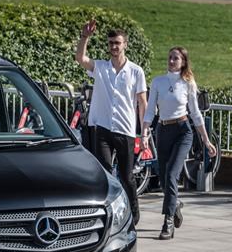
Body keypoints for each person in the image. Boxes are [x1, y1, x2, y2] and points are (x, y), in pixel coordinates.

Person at [74, 19, 147, 226]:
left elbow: (142, 103)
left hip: (125, 129)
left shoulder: (136, 71)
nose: (114, 47)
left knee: (127, 176)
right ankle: (107, 215)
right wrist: (84, 36)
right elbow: (80, 58)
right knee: (104, 173)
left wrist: (144, 132)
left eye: (118, 43)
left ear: (125, 45)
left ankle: (133, 213)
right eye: (111, 43)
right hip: (102, 128)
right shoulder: (101, 67)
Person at [140, 47, 217, 240]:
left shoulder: (188, 83)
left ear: (183, 62)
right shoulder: (158, 82)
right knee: (165, 177)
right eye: (170, 58)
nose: (172, 61)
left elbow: (196, 113)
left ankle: (167, 223)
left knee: (173, 174)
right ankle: (175, 205)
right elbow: (150, 111)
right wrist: (144, 133)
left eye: (176, 58)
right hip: (163, 131)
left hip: (183, 131)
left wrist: (206, 141)